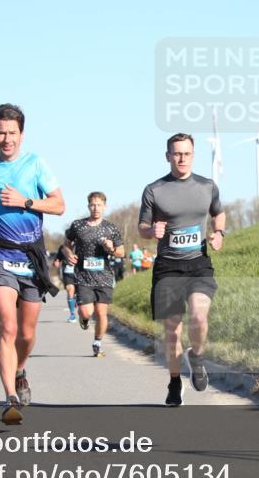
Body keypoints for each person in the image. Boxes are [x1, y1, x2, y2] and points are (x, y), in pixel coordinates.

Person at [0, 103, 65, 425]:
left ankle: (20, 369)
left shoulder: (35, 164)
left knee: (26, 333)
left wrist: (26, 201)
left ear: (22, 134)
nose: (6, 139)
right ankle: (9, 397)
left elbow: (60, 205)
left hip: (32, 257)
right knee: (7, 326)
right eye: (1, 133)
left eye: (12, 133)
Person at [138, 133, 225, 406]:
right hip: (168, 268)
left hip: (198, 263)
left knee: (199, 318)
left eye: (186, 153)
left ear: (193, 155)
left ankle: (197, 357)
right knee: (172, 331)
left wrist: (219, 232)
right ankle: (175, 382)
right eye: (176, 153)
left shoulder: (207, 186)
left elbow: (218, 212)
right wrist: (151, 230)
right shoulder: (154, 190)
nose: (182, 158)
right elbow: (141, 228)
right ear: (167, 156)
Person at [62, 192, 125, 357]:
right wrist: (68, 253)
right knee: (87, 312)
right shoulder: (78, 226)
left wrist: (111, 248)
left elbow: (121, 252)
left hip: (104, 276)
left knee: (102, 313)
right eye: (92, 204)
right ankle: (83, 319)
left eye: (99, 205)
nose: (96, 208)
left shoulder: (111, 228)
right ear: (88, 206)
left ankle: (97, 342)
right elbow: (66, 244)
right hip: (83, 276)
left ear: (104, 206)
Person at [52, 246, 78, 322]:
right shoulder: (63, 248)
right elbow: (57, 259)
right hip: (68, 273)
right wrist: (56, 262)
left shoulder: (82, 242)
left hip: (80, 273)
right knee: (70, 291)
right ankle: (72, 315)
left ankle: (76, 300)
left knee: (78, 294)